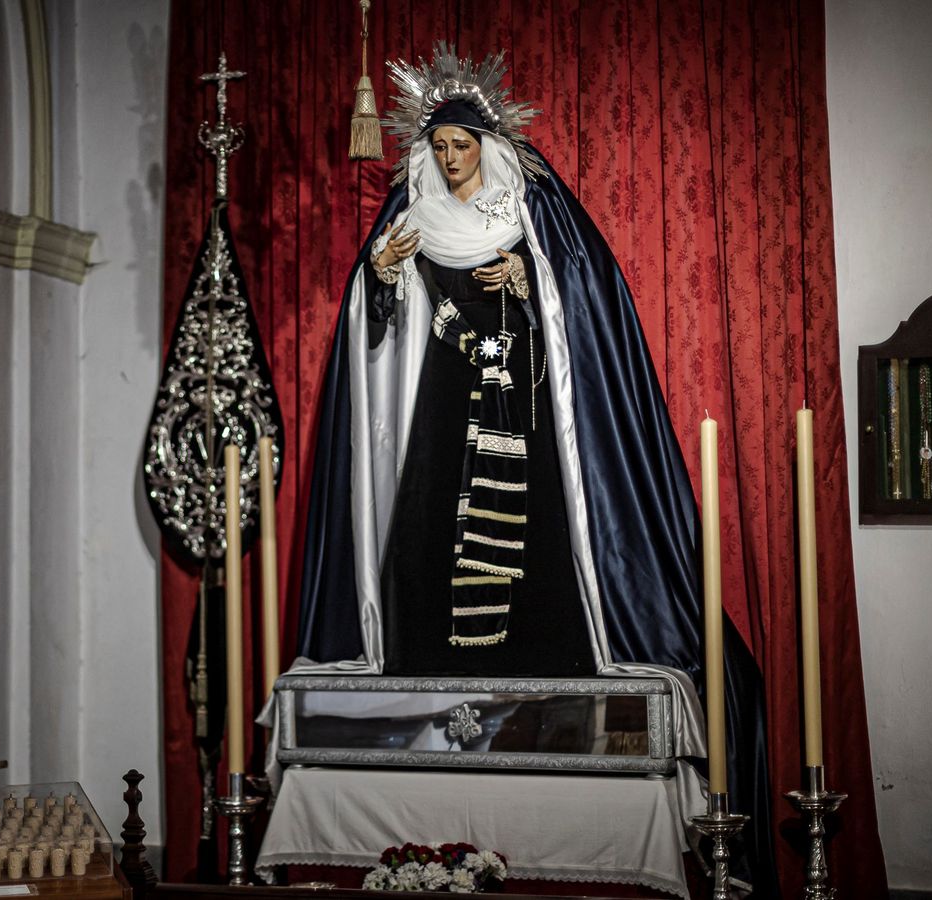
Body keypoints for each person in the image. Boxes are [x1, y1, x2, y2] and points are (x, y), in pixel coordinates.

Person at [293, 43, 778, 893]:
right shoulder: (411, 219)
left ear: (488, 142)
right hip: (443, 412)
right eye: (437, 149)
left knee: (539, 552)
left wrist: (533, 276)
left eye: (461, 147)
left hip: (534, 419)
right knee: (428, 542)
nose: (448, 161)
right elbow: (381, 335)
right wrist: (380, 278)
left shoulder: (539, 210)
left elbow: (584, 304)